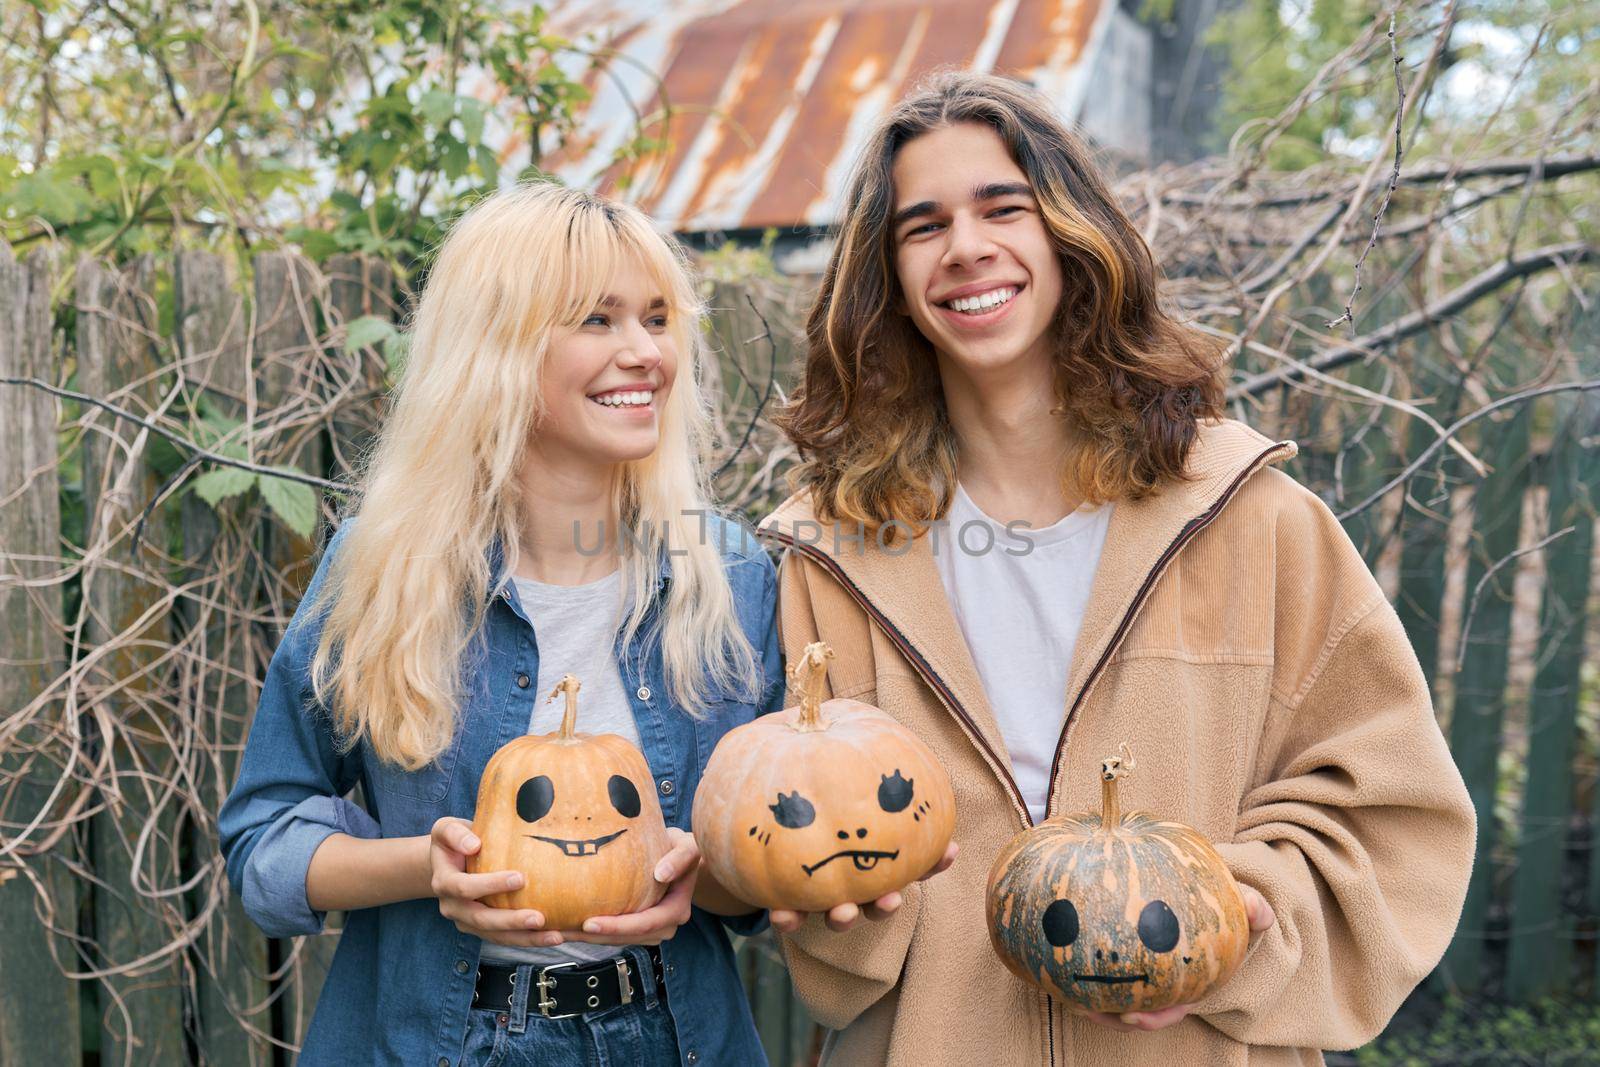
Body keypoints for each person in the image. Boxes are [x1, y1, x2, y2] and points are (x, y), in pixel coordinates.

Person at [758, 70, 1476, 1066]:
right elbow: (792, 836)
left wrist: (1237, 911)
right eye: (922, 226)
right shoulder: (829, 553)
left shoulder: (1249, 515)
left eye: (1002, 206)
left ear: (1069, 232)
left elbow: (1389, 805)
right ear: (887, 279)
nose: (966, 248)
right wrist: (838, 904)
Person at [219, 183, 781, 1067]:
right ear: (497, 349)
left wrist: (699, 879)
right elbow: (263, 843)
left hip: (671, 1038)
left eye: (658, 317)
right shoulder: (383, 570)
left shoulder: (731, 576)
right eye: (597, 319)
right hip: (435, 1041)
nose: (644, 353)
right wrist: (426, 867)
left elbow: (768, 867)